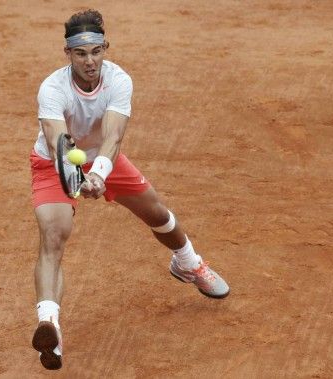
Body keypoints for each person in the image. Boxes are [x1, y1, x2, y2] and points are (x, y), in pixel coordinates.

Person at [29, 9, 230, 370]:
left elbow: (113, 137)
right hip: (53, 164)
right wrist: (75, 173)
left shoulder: (119, 80)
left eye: (95, 51)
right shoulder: (52, 88)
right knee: (53, 235)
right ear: (67, 54)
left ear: (105, 47)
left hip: (103, 159)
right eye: (80, 54)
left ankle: (188, 263)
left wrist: (100, 174)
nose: (90, 61)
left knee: (156, 212)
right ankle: (49, 325)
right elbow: (58, 141)